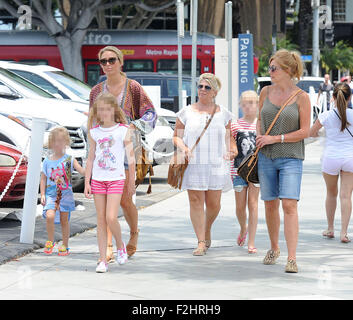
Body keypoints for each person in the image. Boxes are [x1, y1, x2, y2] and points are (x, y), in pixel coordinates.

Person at [89, 46, 157, 260]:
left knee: (126, 200)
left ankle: (134, 233)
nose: (107, 64)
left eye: (111, 60)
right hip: (104, 155)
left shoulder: (133, 87)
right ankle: (108, 246)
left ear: (120, 62)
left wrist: (134, 126)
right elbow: (91, 120)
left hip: (128, 150)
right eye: (103, 61)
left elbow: (151, 114)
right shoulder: (96, 91)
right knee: (107, 204)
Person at [256, 49, 311, 273]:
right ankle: (274, 248)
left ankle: (292, 257)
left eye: (274, 68)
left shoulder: (301, 97)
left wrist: (275, 138)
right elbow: (260, 119)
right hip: (266, 156)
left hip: (291, 157)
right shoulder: (265, 92)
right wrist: (260, 135)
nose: (270, 71)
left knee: (289, 204)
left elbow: (305, 131)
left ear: (288, 71)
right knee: (270, 204)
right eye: (269, 67)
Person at [173, 73, 237, 256]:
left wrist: (233, 149)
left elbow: (229, 138)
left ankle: (207, 227)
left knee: (214, 204)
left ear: (215, 92)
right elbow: (176, 136)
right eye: (200, 86)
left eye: (207, 87)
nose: (202, 90)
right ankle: (201, 240)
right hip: (194, 164)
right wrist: (184, 148)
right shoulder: (185, 112)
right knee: (195, 201)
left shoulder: (224, 114)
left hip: (216, 164)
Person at [85, 92, 135, 273]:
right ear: (97, 112)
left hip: (116, 179)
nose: (104, 113)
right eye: (101, 110)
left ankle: (120, 245)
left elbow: (131, 158)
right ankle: (102, 259)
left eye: (107, 109)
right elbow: (90, 158)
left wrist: (132, 181)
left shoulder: (123, 130)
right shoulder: (94, 132)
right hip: (98, 179)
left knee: (111, 217)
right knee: (100, 220)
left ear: (114, 110)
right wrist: (87, 182)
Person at [310, 82, 353, 243]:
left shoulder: (326, 115)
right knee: (346, 196)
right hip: (350, 158)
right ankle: (344, 233)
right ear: (350, 98)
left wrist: (323, 134)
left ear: (333, 97)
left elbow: (311, 133)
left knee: (331, 194)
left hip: (330, 158)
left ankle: (330, 228)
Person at [40, 127, 85, 256]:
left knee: (65, 221)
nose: (57, 144)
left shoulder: (69, 160)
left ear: (66, 142)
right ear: (50, 143)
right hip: (50, 195)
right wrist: (42, 194)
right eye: (54, 141)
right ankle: (50, 240)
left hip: (65, 196)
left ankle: (65, 245)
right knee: (50, 216)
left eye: (60, 141)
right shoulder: (47, 161)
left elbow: (82, 171)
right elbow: (43, 178)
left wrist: (92, 170)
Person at [230, 90, 260, 254]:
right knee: (240, 207)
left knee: (253, 204)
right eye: (244, 103)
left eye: (251, 103)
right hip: (238, 170)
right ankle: (243, 228)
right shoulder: (235, 125)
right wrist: (229, 151)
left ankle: (252, 242)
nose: (247, 106)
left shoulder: (261, 125)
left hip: (256, 170)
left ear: (257, 105)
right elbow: (231, 144)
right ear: (240, 105)